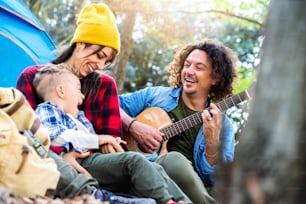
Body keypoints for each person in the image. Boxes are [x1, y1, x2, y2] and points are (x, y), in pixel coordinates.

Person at [16, 3, 190, 204]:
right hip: (54, 167)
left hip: (100, 166)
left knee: (153, 168)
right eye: (99, 55)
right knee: (141, 168)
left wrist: (91, 149)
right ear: (81, 43)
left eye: (106, 62)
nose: (100, 65)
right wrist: (63, 156)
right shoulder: (34, 77)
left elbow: (111, 144)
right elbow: (26, 133)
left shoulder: (104, 85)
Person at [32, 64, 191, 204]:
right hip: (79, 164)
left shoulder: (77, 116)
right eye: (79, 90)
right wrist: (99, 139)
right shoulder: (47, 110)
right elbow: (56, 137)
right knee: (134, 160)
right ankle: (166, 201)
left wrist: (110, 143)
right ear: (61, 90)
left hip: (93, 160)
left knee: (154, 167)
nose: (82, 97)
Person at [119, 39, 238, 204]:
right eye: (187, 65)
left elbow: (216, 180)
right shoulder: (155, 96)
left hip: (194, 190)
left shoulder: (222, 125)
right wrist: (133, 126)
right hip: (149, 176)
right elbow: (110, 103)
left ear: (215, 78)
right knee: (174, 160)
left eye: (199, 67)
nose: (189, 71)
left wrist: (211, 143)